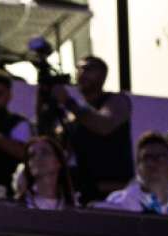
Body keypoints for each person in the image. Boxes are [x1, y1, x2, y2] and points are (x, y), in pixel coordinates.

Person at [51, 56, 133, 204]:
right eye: (79, 69)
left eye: (88, 69)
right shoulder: (74, 115)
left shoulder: (117, 100)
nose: (82, 73)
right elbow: (63, 154)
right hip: (86, 194)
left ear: (103, 75)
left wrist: (68, 102)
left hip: (115, 194)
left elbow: (103, 125)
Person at [96, 131, 168, 217]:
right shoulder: (118, 203)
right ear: (138, 168)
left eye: (161, 157)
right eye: (147, 157)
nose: (153, 162)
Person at [19, 135, 75, 210]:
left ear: (59, 162)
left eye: (45, 153)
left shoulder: (73, 206)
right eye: (32, 155)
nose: (37, 158)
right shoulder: (19, 206)